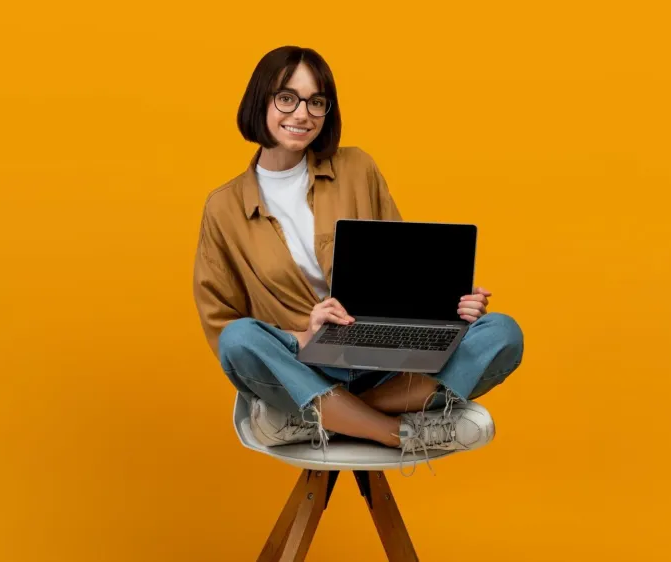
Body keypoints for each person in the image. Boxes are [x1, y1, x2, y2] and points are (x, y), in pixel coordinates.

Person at [193, 46, 524, 470]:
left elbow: (407, 273)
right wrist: (303, 335)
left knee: (502, 333)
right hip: (302, 363)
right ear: (260, 100)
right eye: (286, 97)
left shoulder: (357, 167)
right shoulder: (223, 207)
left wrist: (452, 308)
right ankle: (395, 432)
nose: (302, 113)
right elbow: (221, 323)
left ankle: (325, 418)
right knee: (241, 339)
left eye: (316, 102)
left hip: (385, 360)